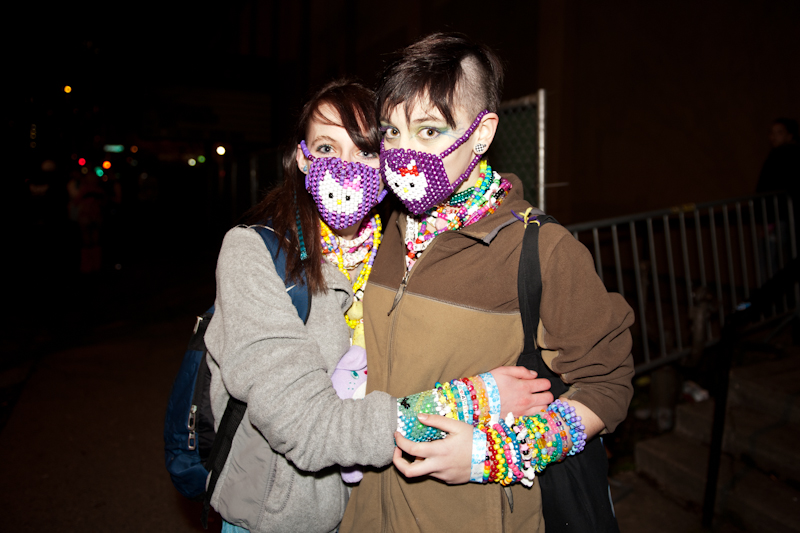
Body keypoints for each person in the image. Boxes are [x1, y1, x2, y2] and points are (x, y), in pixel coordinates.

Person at [203, 79, 553, 533]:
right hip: (278, 517)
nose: (345, 168)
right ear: (304, 159)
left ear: (391, 164)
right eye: (327, 149)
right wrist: (472, 400)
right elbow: (306, 425)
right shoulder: (253, 254)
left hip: (372, 511)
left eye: (366, 151)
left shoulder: (407, 251)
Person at [339, 33, 635, 533]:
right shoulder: (385, 229)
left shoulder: (540, 247)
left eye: (429, 131)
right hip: (367, 513)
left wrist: (493, 453)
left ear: (482, 133)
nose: (403, 153)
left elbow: (607, 383)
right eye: (391, 132)